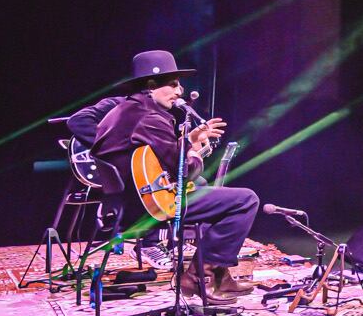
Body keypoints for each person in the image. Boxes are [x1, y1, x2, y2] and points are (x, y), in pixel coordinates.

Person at [75, 50, 260, 301]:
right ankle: (197, 277)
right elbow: (185, 173)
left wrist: (188, 142)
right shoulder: (150, 118)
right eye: (173, 84)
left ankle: (219, 277)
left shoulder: (124, 112)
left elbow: (160, 159)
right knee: (245, 200)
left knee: (217, 198)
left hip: (123, 206)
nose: (179, 91)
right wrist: (195, 151)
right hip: (149, 208)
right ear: (151, 85)